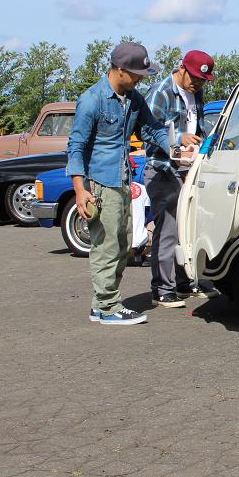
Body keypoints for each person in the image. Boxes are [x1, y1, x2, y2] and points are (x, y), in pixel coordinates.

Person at [66, 41, 187, 326]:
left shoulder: (133, 99)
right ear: (120, 70)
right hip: (100, 184)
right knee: (107, 246)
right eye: (136, 74)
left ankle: (100, 306)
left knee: (123, 245)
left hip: (122, 180)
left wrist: (175, 149)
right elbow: (76, 146)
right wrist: (80, 190)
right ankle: (109, 307)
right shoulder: (92, 100)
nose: (140, 79)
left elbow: (152, 129)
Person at [144, 50, 219, 308]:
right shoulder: (161, 92)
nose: (198, 83)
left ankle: (185, 283)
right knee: (168, 229)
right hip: (163, 170)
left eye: (202, 80)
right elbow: (147, 130)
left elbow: (197, 125)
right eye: (195, 78)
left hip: (188, 169)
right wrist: (178, 138)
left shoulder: (196, 93)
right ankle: (162, 289)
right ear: (182, 69)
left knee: (187, 229)